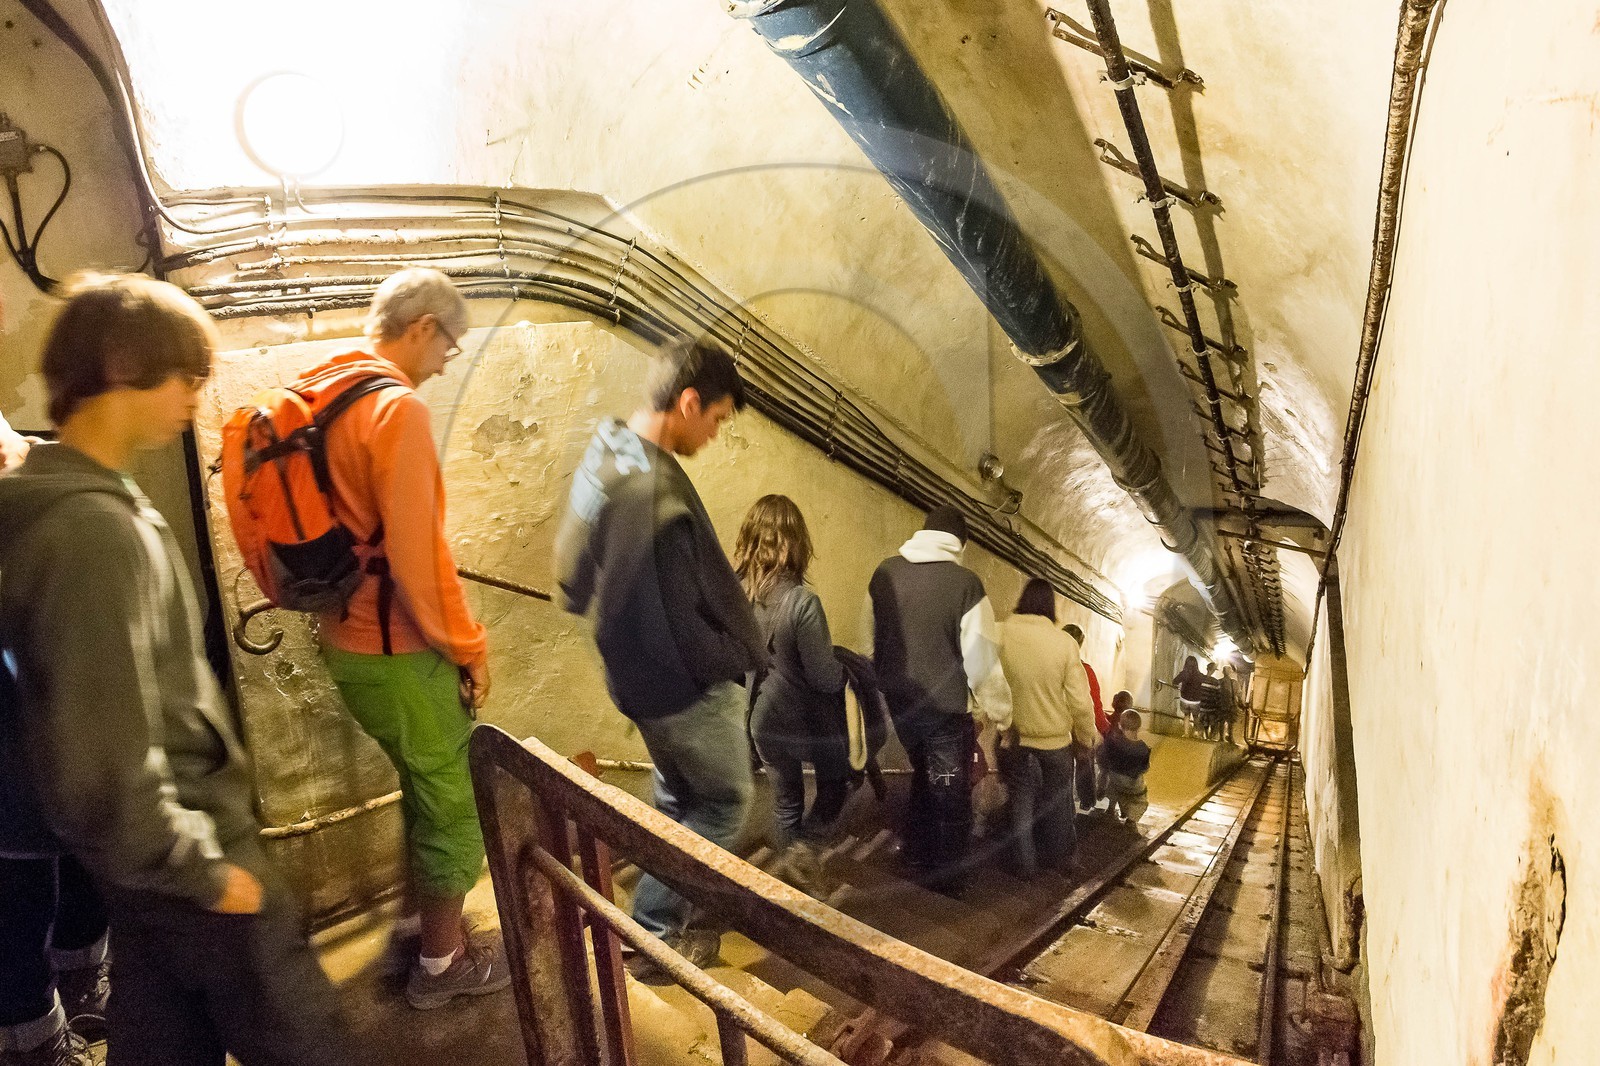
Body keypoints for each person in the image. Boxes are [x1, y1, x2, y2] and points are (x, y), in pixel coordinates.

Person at [0, 273, 350, 1065]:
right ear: (124, 365)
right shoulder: (92, 532)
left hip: (154, 869)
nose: (199, 391)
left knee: (163, 1044)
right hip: (190, 855)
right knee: (306, 1043)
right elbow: (100, 752)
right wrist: (200, 869)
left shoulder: (80, 501)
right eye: (188, 374)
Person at [297, 268, 502, 1009]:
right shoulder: (397, 410)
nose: (449, 359)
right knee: (454, 802)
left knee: (422, 783)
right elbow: (421, 562)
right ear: (421, 328)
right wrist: (471, 647)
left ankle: (417, 923)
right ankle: (444, 966)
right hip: (400, 652)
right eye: (450, 344)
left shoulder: (323, 390)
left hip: (343, 646)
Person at [555, 335, 763, 974]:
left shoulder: (609, 450)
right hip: (685, 691)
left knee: (680, 796)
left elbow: (571, 574)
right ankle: (652, 936)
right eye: (719, 420)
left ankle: (643, 927)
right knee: (727, 802)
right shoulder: (655, 491)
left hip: (638, 685)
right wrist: (726, 665)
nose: (717, 434)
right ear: (691, 401)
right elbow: (670, 617)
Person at [2, 419, 110, 1066]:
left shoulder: (52, 461)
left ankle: (82, 980)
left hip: (67, 725)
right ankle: (34, 1038)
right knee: (18, 890)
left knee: (79, 860)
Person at [866, 505, 1012, 893]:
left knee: (924, 776)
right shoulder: (966, 584)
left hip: (900, 704)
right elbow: (981, 660)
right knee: (950, 794)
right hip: (944, 709)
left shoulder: (884, 573)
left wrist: (884, 679)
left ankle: (917, 853)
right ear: (959, 543)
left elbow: (873, 634)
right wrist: (1002, 715)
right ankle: (945, 884)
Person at [733, 495, 847, 897]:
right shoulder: (803, 603)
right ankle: (805, 853)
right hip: (802, 723)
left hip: (760, 722)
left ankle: (792, 893)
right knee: (837, 785)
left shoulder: (740, 599)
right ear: (795, 542)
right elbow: (822, 677)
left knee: (786, 804)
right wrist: (844, 671)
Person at [996, 579, 1096, 877]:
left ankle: (1025, 866)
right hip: (1055, 742)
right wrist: (1085, 736)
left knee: (1021, 804)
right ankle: (1058, 859)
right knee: (1058, 805)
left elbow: (986, 681)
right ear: (1051, 607)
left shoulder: (1000, 633)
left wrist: (1001, 725)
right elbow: (1080, 700)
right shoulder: (1064, 643)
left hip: (1015, 738)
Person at [1061, 623, 1106, 812]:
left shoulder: (1052, 667)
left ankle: (1066, 806)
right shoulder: (1085, 670)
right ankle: (1087, 801)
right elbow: (1093, 701)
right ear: (1080, 644)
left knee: (1063, 769)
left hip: (1058, 724)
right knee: (1084, 762)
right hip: (1078, 725)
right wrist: (1101, 726)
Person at [1102, 705, 1152, 827]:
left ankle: (1111, 808)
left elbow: (1105, 759)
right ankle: (1131, 819)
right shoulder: (1143, 748)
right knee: (1140, 799)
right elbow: (1144, 768)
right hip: (1133, 785)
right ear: (1139, 727)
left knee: (1112, 784)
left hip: (1115, 780)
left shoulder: (1113, 743)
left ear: (1120, 725)